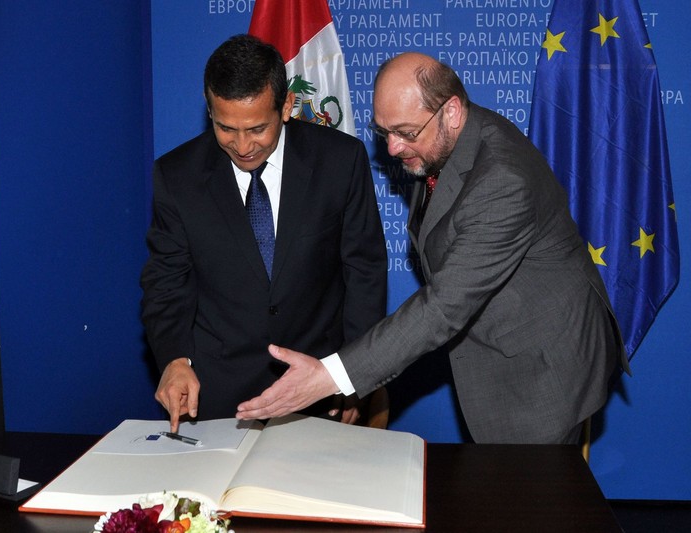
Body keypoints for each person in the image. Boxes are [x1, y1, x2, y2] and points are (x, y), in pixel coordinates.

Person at [236, 52, 630, 444]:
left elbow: (443, 307)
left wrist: (330, 377)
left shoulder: (503, 182)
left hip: (543, 362)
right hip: (498, 337)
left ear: (452, 112)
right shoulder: (446, 141)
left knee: (527, 495)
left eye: (406, 132)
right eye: (383, 132)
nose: (392, 148)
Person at [140, 34, 387, 432]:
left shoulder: (340, 161)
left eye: (257, 128)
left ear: (287, 106)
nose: (242, 146)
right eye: (225, 128)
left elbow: (364, 272)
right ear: (209, 109)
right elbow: (166, 281)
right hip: (218, 395)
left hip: (319, 386)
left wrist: (352, 376)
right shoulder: (177, 176)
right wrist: (174, 360)